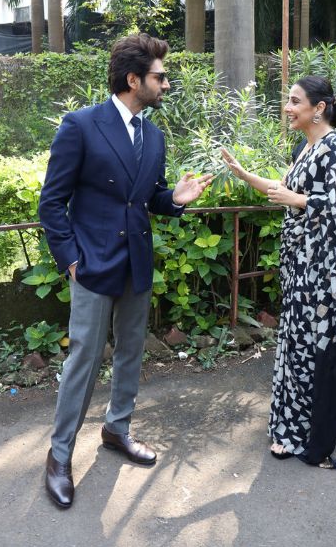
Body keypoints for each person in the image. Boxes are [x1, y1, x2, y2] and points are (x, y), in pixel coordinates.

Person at [38, 33, 214, 508]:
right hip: (93, 266)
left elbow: (148, 197)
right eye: (160, 76)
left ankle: (116, 429)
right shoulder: (81, 125)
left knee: (131, 352)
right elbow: (52, 202)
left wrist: (175, 199)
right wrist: (71, 260)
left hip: (137, 263)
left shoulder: (153, 135)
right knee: (84, 360)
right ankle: (59, 455)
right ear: (134, 80)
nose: (166, 84)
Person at [221, 75, 336, 470]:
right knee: (296, 344)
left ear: (319, 108)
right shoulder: (307, 147)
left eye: (295, 101)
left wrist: (296, 199)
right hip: (301, 268)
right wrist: (243, 174)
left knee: (315, 349)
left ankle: (308, 434)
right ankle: (290, 427)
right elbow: (281, 189)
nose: (288, 107)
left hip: (327, 275)